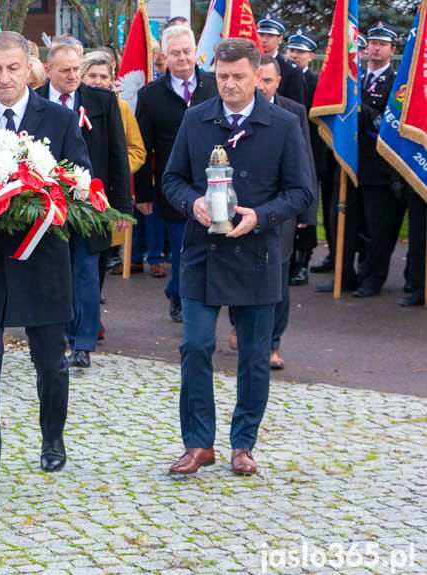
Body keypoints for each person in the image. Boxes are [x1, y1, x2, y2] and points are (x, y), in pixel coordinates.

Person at [0, 31, 91, 503]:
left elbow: (78, 187)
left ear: (31, 66)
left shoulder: (61, 119)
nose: (4, 78)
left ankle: (52, 435)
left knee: (51, 364)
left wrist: (38, 200)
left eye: (13, 68)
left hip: (42, 260)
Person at [162, 38, 313, 476]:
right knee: (195, 345)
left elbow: (301, 191)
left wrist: (261, 216)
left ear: (257, 74)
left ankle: (243, 444)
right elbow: (171, 179)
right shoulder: (196, 119)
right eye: (222, 77)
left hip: (256, 253)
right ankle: (197, 444)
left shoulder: (283, 124)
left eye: (238, 77)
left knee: (252, 354)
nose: (229, 85)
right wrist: (192, 203)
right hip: (202, 253)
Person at [37, 42, 132, 369]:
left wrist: (123, 207)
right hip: (47, 202)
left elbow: (119, 154)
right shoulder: (35, 99)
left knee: (87, 272)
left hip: (91, 202)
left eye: (76, 69)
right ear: (48, 70)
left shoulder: (102, 101)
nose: (73, 76)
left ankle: (83, 342)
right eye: (65, 70)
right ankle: (58, 334)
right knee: (52, 271)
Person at [135, 25, 218, 323]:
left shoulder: (215, 86)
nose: (182, 58)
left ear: (196, 51)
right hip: (174, 188)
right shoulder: (150, 96)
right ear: (164, 56)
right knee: (184, 247)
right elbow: (142, 148)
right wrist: (143, 194)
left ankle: (184, 290)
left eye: (187, 51)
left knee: (212, 246)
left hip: (216, 185)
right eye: (175, 53)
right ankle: (184, 298)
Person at [319, 22, 401, 297]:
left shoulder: (397, 83)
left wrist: (359, 106)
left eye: (382, 44)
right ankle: (344, 275)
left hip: (377, 167)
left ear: (392, 49)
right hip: (346, 162)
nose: (375, 48)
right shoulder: (351, 79)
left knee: (378, 228)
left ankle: (372, 278)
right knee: (341, 222)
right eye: (372, 43)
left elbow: (388, 122)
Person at [255, 55, 317, 370]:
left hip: (284, 211)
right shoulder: (240, 112)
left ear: (278, 82)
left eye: (268, 80)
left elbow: (305, 165)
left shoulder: (294, 113)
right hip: (248, 209)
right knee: (247, 276)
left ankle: (273, 343)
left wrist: (308, 214)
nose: (262, 86)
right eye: (258, 79)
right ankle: (245, 329)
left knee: (278, 278)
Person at [80, 50, 147, 311]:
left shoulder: (120, 107)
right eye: (92, 76)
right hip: (72, 194)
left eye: (104, 76)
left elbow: (136, 149)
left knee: (97, 259)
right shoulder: (70, 106)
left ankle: (92, 313)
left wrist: (111, 172)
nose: (98, 81)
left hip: (104, 197)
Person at [284, 30, 322, 286]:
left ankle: (303, 261)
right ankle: (291, 261)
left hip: (309, 148)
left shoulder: (315, 81)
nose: (294, 55)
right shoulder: (283, 73)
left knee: (305, 207)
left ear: (311, 55)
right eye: (292, 50)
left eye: (300, 52)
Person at [256, 15, 307, 105]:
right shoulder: (249, 65)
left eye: (270, 35)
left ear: (280, 39)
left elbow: (295, 108)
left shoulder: (292, 70)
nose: (264, 40)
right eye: (261, 34)